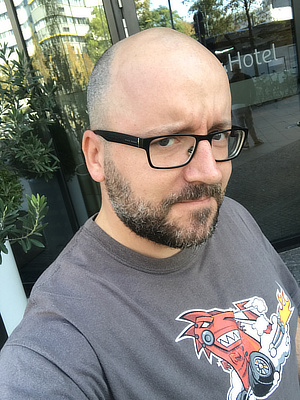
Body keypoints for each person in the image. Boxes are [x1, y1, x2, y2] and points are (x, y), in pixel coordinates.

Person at [0, 28, 299, 400]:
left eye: (218, 134)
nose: (210, 172)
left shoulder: (231, 216)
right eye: (168, 140)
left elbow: (290, 325)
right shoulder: (59, 344)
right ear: (96, 156)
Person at [230, 64, 264, 148]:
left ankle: (245, 143)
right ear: (240, 69)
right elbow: (253, 91)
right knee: (250, 124)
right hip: (245, 104)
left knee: (241, 127)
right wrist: (250, 101)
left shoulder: (231, 81)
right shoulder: (247, 77)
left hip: (235, 107)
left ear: (232, 71)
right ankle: (255, 140)